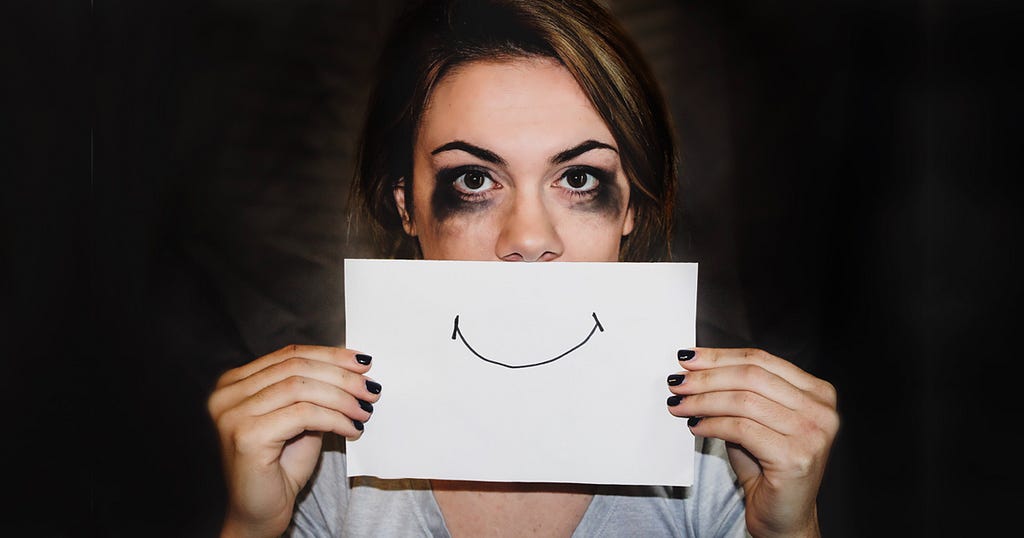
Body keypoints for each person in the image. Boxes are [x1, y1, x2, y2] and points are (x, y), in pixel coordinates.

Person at [206, 0, 839, 536]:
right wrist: (252, 527)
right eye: (475, 179)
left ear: (631, 209)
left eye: (579, 178)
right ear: (407, 205)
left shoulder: (723, 458)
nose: (530, 238)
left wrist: (789, 529)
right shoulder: (319, 459)